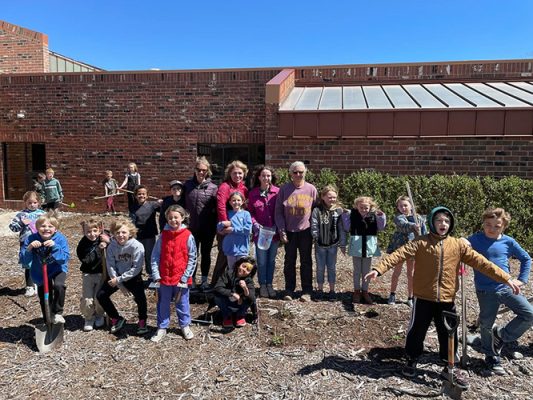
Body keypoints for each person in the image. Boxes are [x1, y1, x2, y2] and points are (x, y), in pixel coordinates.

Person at [365, 206, 521, 390]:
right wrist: (378, 269)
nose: (443, 224)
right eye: (439, 220)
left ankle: (449, 365)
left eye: (446, 221)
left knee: (448, 334)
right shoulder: (420, 242)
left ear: (450, 224)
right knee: (416, 330)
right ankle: (411, 359)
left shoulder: (457, 245)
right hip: (423, 298)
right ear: (432, 222)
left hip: (447, 299)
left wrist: (507, 278)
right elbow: (398, 255)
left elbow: (483, 264)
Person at [466, 207, 532, 375]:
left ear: (504, 226)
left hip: (507, 287)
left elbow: (525, 258)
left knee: (528, 314)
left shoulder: (508, 242)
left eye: (497, 226)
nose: (492, 228)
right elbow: (461, 245)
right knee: (486, 324)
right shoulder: (476, 239)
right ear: (483, 223)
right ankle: (491, 356)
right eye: (488, 224)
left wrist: (522, 279)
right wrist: (462, 241)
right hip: (485, 290)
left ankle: (502, 335)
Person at [150, 205, 197, 342]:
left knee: (182, 303)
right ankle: (162, 327)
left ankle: (185, 325)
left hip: (181, 278)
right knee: (163, 303)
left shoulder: (188, 236)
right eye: (170, 218)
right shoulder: (162, 236)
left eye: (176, 217)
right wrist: (156, 274)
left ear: (182, 218)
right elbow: (155, 256)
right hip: (164, 277)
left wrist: (186, 276)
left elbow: (192, 257)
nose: (173, 220)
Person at [96, 218, 148, 335]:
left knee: (141, 299)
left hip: (132, 277)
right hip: (116, 276)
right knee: (101, 295)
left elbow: (136, 268)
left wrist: (120, 280)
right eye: (117, 232)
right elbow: (110, 265)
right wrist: (119, 284)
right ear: (113, 234)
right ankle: (116, 318)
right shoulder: (112, 246)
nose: (120, 235)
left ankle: (142, 321)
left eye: (124, 232)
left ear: (130, 232)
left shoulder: (137, 246)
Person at [275, 161, 317, 302]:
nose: (298, 175)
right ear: (290, 174)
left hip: (306, 231)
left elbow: (316, 210)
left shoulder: (311, 189)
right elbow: (278, 212)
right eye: (295, 172)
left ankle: (306, 291)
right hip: (289, 231)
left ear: (305, 172)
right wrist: (282, 231)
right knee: (289, 261)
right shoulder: (284, 189)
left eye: (301, 172)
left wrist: (315, 230)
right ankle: (289, 289)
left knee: (306, 261)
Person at [22, 212, 70, 325]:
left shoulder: (60, 239)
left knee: (59, 286)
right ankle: (47, 320)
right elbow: (24, 260)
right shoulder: (31, 239)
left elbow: (64, 258)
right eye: (43, 226)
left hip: (57, 268)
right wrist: (29, 248)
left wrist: (55, 247)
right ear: (37, 228)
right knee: (44, 296)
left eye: (50, 226)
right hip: (40, 271)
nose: (46, 229)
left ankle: (57, 312)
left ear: (56, 229)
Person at [211, 160, 249, 285]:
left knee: (239, 260)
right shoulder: (225, 187)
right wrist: (225, 222)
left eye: (240, 173)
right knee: (224, 257)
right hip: (226, 227)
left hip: (239, 229)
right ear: (229, 174)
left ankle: (235, 284)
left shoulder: (243, 188)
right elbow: (221, 205)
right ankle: (216, 284)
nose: (237, 176)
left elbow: (244, 207)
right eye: (234, 173)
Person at [183, 156, 218, 290]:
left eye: (204, 170)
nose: (201, 172)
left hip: (208, 227)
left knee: (206, 253)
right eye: (198, 169)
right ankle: (191, 279)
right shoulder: (187, 185)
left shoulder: (213, 188)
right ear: (195, 170)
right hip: (191, 227)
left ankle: (204, 280)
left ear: (207, 171)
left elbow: (219, 206)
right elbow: (178, 202)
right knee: (192, 254)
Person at [387, 195, 427, 307]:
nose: (403, 208)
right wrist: (413, 225)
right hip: (400, 248)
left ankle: (410, 297)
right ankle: (392, 294)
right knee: (397, 272)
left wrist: (424, 243)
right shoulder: (399, 217)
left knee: (411, 274)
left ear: (411, 206)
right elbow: (403, 225)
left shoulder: (419, 218)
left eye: (405, 205)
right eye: (400, 206)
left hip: (413, 248)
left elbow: (424, 233)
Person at [248, 165, 280, 298]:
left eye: (269, 175)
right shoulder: (253, 193)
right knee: (261, 261)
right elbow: (250, 213)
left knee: (271, 260)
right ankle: (262, 285)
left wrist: (278, 226)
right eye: (264, 175)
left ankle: (269, 284)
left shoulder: (278, 192)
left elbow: (281, 212)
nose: (266, 178)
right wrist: (255, 225)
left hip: (274, 233)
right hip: (260, 234)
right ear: (259, 177)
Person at [348, 196, 386, 304]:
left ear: (370, 207)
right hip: (357, 244)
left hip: (369, 245)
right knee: (356, 271)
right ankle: (356, 291)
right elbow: (347, 227)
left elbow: (381, 227)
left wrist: (382, 217)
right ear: (357, 207)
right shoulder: (353, 215)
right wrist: (345, 215)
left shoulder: (374, 216)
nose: (364, 210)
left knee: (366, 271)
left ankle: (365, 291)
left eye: (366, 208)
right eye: (361, 207)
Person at [311, 185, 346, 300]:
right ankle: (320, 290)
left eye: (334, 197)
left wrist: (342, 243)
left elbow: (341, 228)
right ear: (323, 197)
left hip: (333, 244)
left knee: (331, 267)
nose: (332, 199)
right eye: (329, 197)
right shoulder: (317, 210)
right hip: (320, 244)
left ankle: (332, 290)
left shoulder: (338, 210)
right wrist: (315, 237)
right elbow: (314, 224)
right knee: (320, 267)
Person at [9, 191, 46, 296]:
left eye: (35, 202)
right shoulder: (21, 215)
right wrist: (21, 223)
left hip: (40, 242)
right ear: (25, 202)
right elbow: (12, 227)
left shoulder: (42, 214)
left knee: (40, 263)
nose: (32, 205)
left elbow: (49, 226)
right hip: (26, 242)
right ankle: (29, 286)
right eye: (29, 202)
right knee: (28, 263)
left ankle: (39, 284)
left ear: (38, 202)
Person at [77, 218, 110, 331]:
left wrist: (107, 243)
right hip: (88, 274)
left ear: (100, 229)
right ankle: (89, 317)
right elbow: (86, 260)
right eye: (88, 232)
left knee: (98, 296)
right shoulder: (83, 244)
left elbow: (115, 248)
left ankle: (100, 314)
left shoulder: (104, 238)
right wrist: (98, 250)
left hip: (102, 273)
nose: (92, 234)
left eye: (95, 231)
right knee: (87, 298)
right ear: (84, 232)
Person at [213, 256, 257, 328]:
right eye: (244, 266)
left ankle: (240, 315)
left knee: (250, 298)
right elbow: (218, 287)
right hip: (227, 301)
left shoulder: (249, 280)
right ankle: (227, 316)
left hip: (241, 304)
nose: (244, 270)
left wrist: (245, 289)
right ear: (238, 265)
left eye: (248, 269)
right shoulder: (228, 273)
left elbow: (252, 298)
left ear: (250, 273)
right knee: (217, 296)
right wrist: (232, 294)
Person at [131, 185, 161, 281]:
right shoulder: (133, 207)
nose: (141, 196)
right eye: (139, 194)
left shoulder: (152, 205)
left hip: (149, 234)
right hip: (137, 235)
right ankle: (137, 274)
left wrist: (162, 202)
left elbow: (164, 209)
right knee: (137, 255)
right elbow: (131, 221)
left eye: (143, 194)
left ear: (147, 195)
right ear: (135, 196)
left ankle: (151, 274)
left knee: (149, 255)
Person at [218, 191, 252, 271]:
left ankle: (239, 283)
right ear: (229, 202)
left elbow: (247, 230)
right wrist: (222, 224)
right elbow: (219, 228)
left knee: (242, 270)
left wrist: (233, 229)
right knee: (231, 269)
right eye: (233, 200)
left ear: (243, 201)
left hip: (242, 248)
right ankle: (232, 283)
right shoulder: (227, 214)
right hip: (230, 248)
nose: (236, 202)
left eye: (238, 200)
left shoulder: (246, 214)